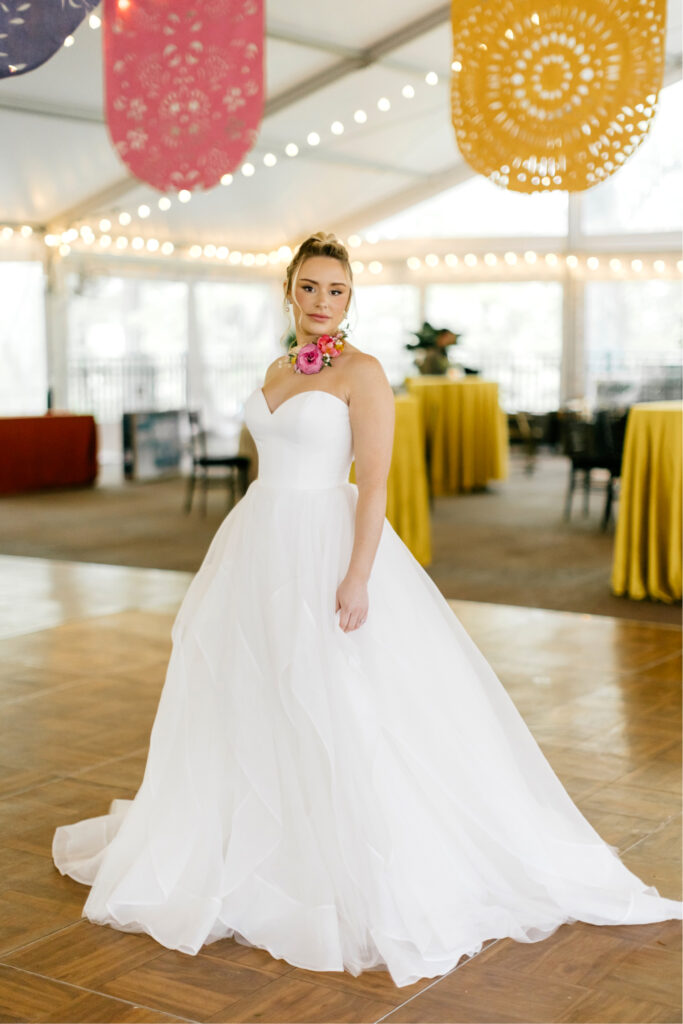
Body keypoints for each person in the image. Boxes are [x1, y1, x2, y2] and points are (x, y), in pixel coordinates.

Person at [53, 231, 682, 989]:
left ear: (352, 298)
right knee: (254, 689)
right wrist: (249, 541)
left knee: (338, 695)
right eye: (310, 288)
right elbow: (266, 463)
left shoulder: (365, 373)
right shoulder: (277, 368)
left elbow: (374, 485)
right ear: (289, 291)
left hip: (328, 542)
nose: (322, 303)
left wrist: (357, 575)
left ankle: (342, 851)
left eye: (337, 290)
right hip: (260, 541)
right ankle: (257, 829)